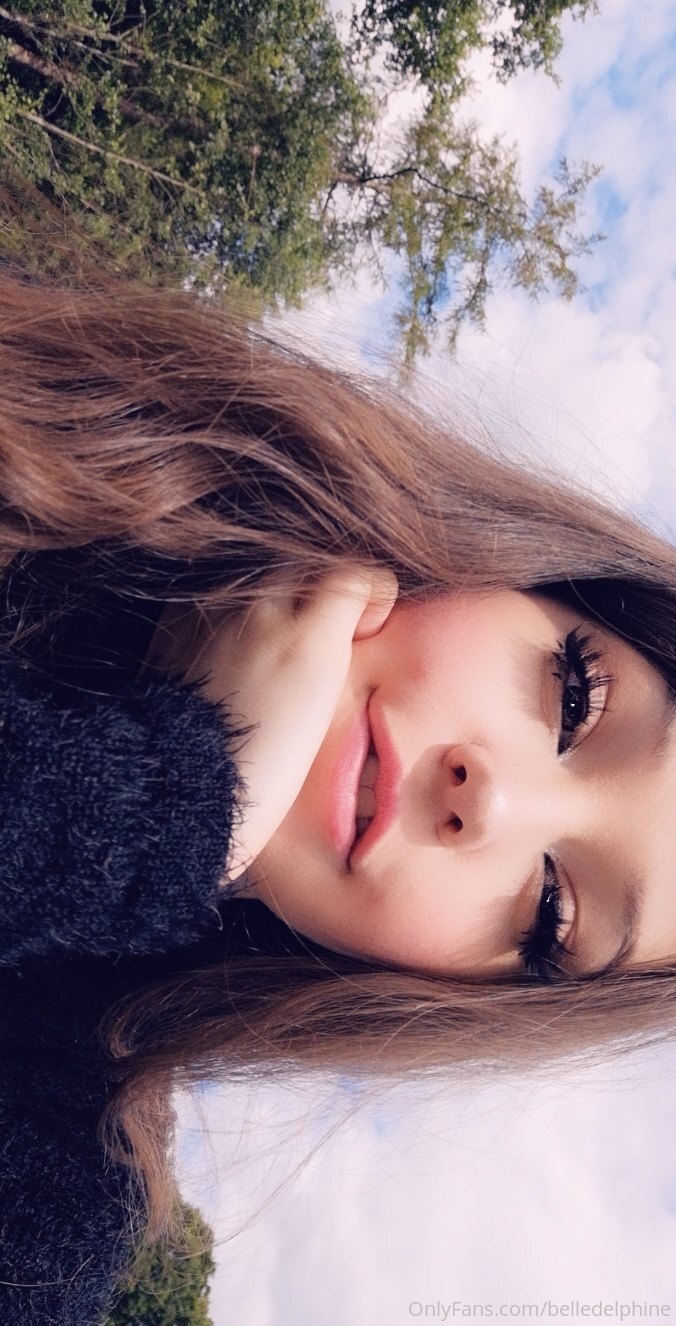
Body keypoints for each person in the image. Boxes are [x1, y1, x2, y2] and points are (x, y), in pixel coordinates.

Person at [1, 258, 676, 1325]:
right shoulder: (55, 372)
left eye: (554, 910)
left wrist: (173, 808)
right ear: (520, 568)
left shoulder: (47, 1208)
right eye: (578, 699)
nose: (491, 805)